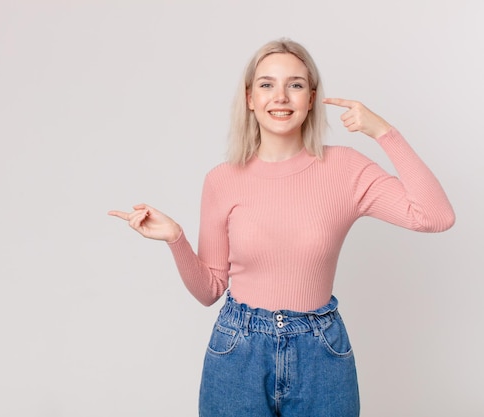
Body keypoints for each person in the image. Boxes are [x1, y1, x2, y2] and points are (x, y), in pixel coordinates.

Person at [108, 38, 455, 417]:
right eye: (267, 84)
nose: (281, 97)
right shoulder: (222, 180)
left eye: (295, 84)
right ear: (249, 98)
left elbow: (435, 216)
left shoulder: (345, 170)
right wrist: (176, 240)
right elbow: (210, 291)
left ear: (311, 98)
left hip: (321, 351)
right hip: (238, 350)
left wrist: (384, 132)